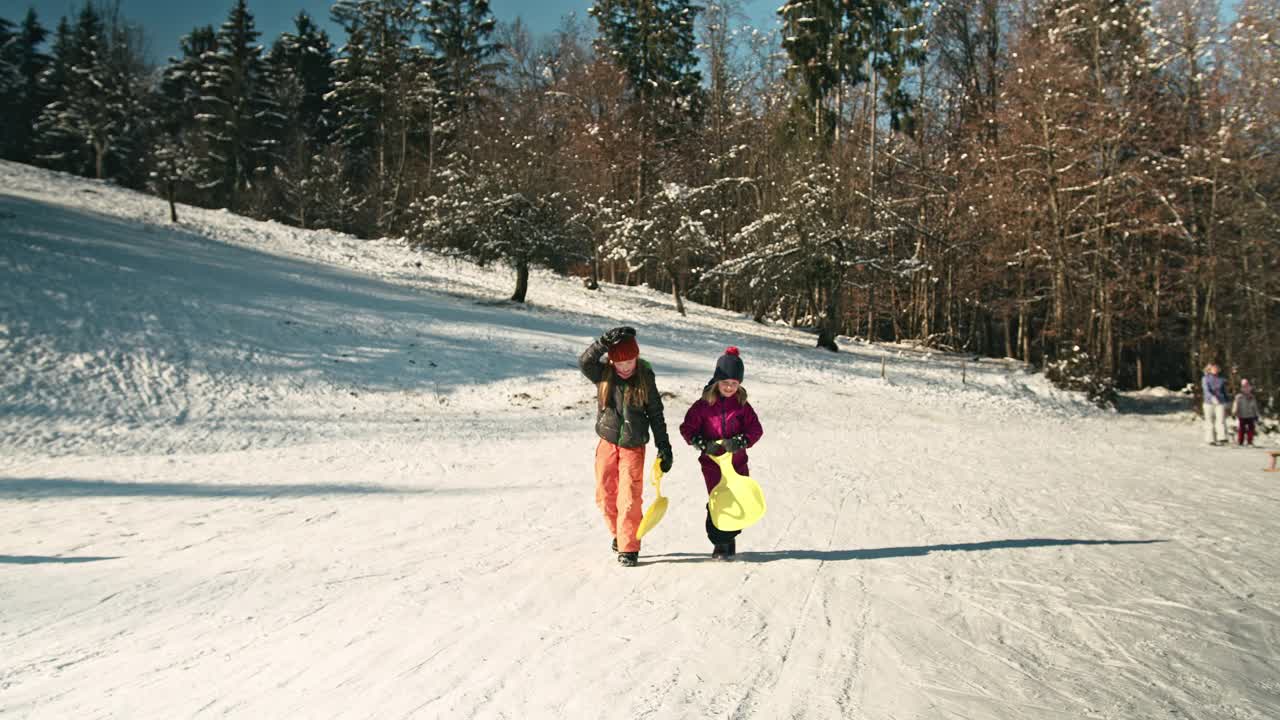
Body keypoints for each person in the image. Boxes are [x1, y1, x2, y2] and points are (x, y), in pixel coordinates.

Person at [578, 326, 673, 567]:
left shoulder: (644, 377)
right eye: (619, 362)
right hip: (607, 442)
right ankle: (618, 534)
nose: (625, 367)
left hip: (634, 446)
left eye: (629, 361)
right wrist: (602, 342)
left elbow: (656, 413)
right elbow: (584, 362)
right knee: (604, 493)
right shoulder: (604, 373)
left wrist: (664, 446)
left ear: (637, 357)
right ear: (611, 360)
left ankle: (628, 547)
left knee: (629, 497)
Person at [679, 347, 764, 560]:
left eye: (734, 384)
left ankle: (729, 535)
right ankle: (720, 541)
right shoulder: (703, 406)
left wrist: (741, 441)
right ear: (717, 381)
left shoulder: (742, 405)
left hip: (737, 463)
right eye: (725, 382)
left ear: (740, 384)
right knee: (718, 499)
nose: (729, 387)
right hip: (713, 464)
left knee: (737, 499)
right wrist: (701, 442)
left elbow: (756, 429)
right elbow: (687, 428)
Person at [1202, 363, 1230, 445]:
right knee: (1210, 421)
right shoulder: (1205, 378)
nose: (1215, 369)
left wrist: (1227, 401)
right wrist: (1212, 397)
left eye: (1217, 368)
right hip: (1208, 403)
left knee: (1220, 420)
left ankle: (1221, 437)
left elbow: (1224, 391)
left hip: (1220, 402)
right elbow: (1206, 390)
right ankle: (1210, 439)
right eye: (1213, 368)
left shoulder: (1221, 379)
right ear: (1210, 369)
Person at [1232, 379, 1260, 447]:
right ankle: (1240, 441)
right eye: (1244, 388)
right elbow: (1235, 405)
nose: (1246, 389)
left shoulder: (1252, 397)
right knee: (1241, 429)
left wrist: (1256, 415)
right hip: (1242, 415)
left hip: (1250, 415)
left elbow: (1255, 407)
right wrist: (1234, 413)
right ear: (1242, 389)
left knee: (1251, 429)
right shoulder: (1239, 397)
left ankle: (1250, 441)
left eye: (1248, 388)